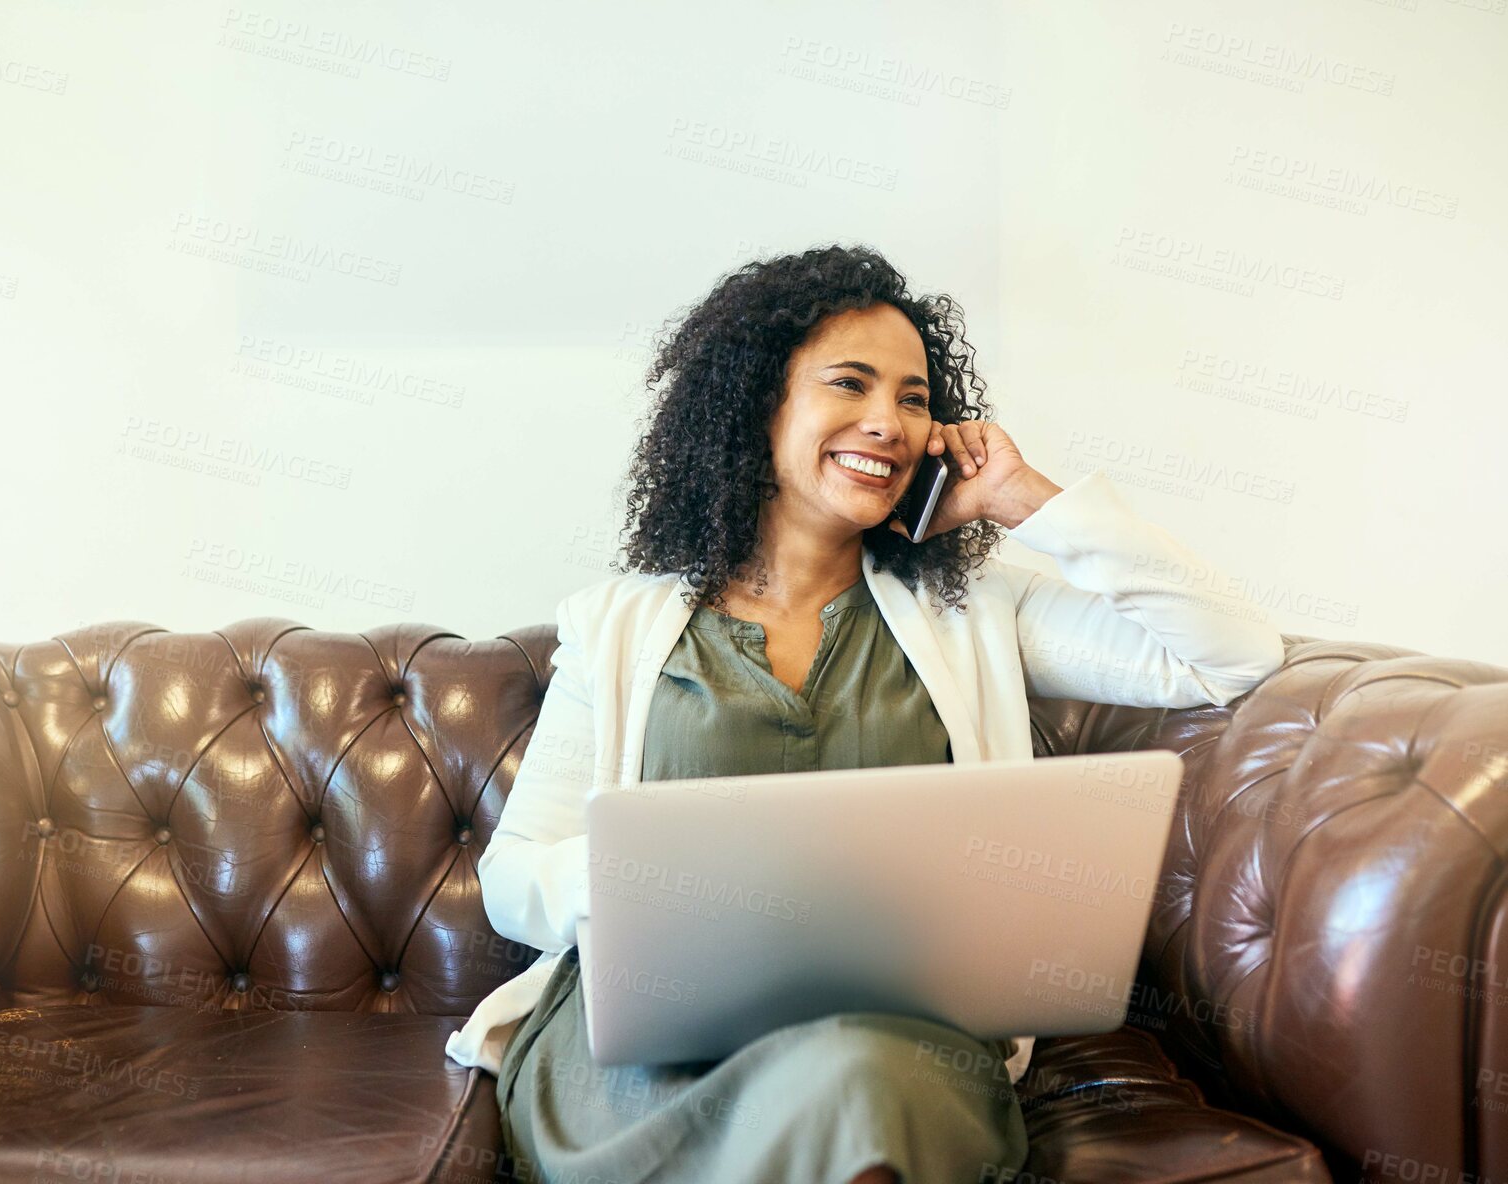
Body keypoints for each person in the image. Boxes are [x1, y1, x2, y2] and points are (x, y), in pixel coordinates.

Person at [443, 244, 1287, 1183]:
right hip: (656, 1039)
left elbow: (1229, 652)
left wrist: (1022, 500)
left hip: (896, 1037)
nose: (888, 422)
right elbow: (514, 878)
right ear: (758, 402)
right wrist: (651, 879)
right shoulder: (616, 624)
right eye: (850, 384)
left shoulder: (977, 610)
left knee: (856, 1079)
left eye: (915, 398)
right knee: (841, 1094)